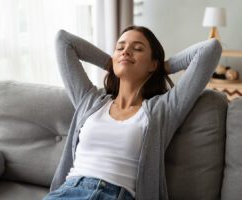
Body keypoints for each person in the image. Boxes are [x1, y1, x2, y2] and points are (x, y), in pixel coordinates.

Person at [43, 25, 222, 200]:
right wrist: (111, 63)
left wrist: (162, 68)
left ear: (152, 63)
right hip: (67, 192)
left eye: (137, 48)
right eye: (120, 47)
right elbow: (63, 41)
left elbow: (210, 49)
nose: (126, 51)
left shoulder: (164, 109)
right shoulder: (89, 100)